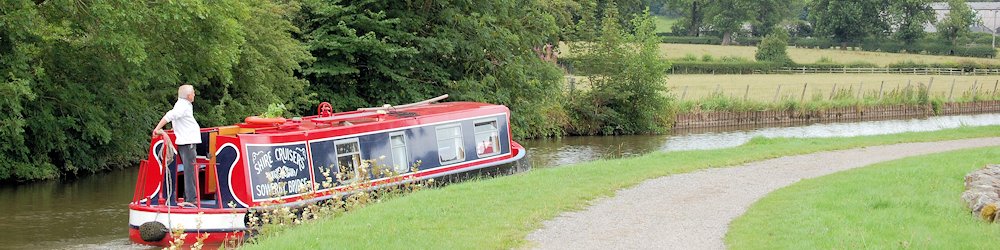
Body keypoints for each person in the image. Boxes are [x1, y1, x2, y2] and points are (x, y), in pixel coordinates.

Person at [152, 84, 201, 208]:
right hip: (187, 142)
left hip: (185, 141)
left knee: (189, 169)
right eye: (193, 93)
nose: (194, 94)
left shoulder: (182, 105)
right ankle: (191, 199)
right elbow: (169, 116)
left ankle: (188, 197)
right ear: (189, 95)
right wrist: (157, 128)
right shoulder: (183, 106)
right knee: (190, 171)